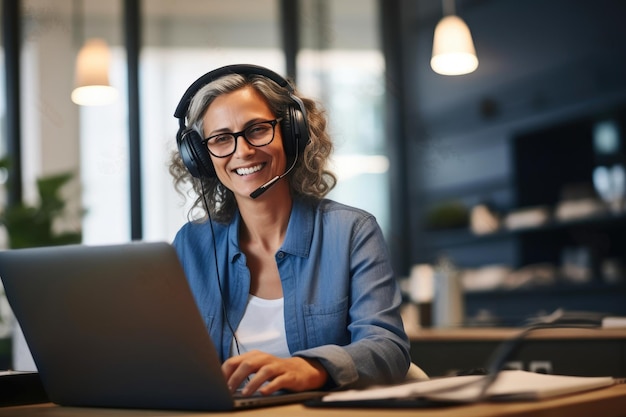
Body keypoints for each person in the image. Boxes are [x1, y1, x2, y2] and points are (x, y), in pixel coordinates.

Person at [170, 64, 410, 397]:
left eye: (256, 130)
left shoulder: (351, 231)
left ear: (291, 132)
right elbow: (170, 357)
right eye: (222, 138)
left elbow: (388, 348)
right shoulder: (190, 245)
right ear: (201, 156)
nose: (243, 151)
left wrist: (312, 368)